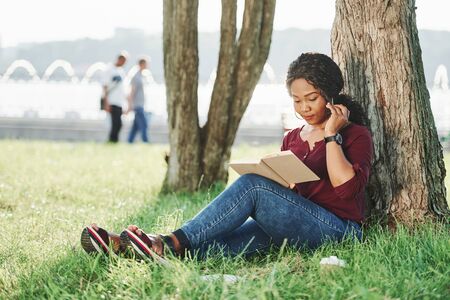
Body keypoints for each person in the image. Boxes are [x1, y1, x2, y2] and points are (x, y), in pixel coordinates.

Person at [81, 53, 373, 261]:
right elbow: (296, 191)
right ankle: (134, 249)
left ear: (331, 96)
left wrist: (332, 135)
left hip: (339, 230)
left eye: (312, 98)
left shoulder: (355, 135)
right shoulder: (293, 137)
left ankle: (169, 241)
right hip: (292, 225)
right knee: (221, 243)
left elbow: (346, 188)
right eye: (297, 100)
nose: (304, 107)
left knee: (252, 185)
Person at [102, 51, 128, 143]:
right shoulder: (109, 69)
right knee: (115, 123)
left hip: (119, 101)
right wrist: (106, 102)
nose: (124, 63)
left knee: (119, 124)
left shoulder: (121, 71)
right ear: (119, 59)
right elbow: (105, 86)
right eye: (124, 61)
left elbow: (123, 89)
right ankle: (112, 140)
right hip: (111, 101)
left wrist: (126, 104)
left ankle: (114, 140)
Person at [127, 57, 150, 143]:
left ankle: (129, 141)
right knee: (144, 124)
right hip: (137, 105)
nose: (147, 66)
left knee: (135, 126)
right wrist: (130, 105)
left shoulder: (141, 75)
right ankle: (146, 141)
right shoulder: (136, 76)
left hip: (140, 104)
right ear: (141, 64)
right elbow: (132, 92)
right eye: (146, 64)